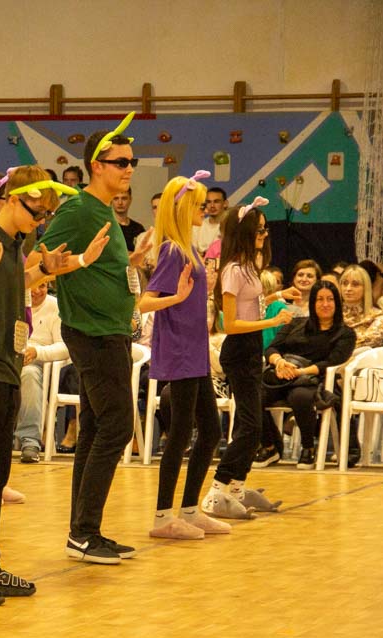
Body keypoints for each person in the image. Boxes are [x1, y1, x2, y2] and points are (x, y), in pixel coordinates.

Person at [0, 165, 92, 606]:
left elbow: (6, 289)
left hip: (4, 368)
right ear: (11, 199)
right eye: (35, 211)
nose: (40, 220)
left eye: (45, 215)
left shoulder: (13, 246)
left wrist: (43, 270)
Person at [38, 113, 153, 564]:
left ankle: (83, 531)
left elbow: (102, 267)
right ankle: (84, 532)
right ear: (97, 166)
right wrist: (77, 262)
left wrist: (132, 262)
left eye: (132, 161)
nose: (128, 169)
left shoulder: (104, 212)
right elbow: (41, 260)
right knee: (117, 426)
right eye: (120, 162)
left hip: (110, 331)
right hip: (92, 333)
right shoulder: (79, 210)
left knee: (93, 428)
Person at [137, 172, 231, 540]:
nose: (204, 209)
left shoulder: (188, 248)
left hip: (195, 351)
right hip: (179, 352)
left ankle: (190, 509)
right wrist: (175, 298)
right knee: (179, 433)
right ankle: (163, 516)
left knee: (210, 431)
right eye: (198, 204)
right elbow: (145, 302)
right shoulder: (172, 251)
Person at [202, 197, 292, 519]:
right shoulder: (232, 271)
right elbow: (231, 323)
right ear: (243, 233)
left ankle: (238, 487)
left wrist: (277, 296)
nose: (264, 235)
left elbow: (250, 303)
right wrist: (272, 321)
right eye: (259, 230)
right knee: (250, 427)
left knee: (248, 424)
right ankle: (216, 489)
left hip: (251, 350)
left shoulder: (250, 267)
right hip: (239, 350)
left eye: (265, 230)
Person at [258, 281, 356, 469]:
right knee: (253, 395)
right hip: (282, 375)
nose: (325, 304)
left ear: (337, 303)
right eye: (320, 299)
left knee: (300, 397)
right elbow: (271, 348)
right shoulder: (295, 323)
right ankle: (269, 446)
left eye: (330, 299)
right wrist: (279, 362)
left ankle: (308, 447)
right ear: (312, 302)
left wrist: (300, 371)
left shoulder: (345, 333)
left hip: (314, 379)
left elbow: (332, 362)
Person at [13, 279, 67, 463]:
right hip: (9, 360)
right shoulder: (12, 303)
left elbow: (65, 347)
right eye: (32, 286)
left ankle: (30, 441)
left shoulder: (56, 307)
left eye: (42, 286)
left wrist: (37, 352)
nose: (36, 291)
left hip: (44, 365)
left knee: (29, 374)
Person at [339, 264, 383, 348]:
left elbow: (371, 341)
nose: (348, 288)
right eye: (345, 283)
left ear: (366, 288)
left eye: (355, 284)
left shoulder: (378, 315)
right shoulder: (331, 314)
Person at [194, 187, 226, 253]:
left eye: (216, 201)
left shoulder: (230, 226)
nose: (212, 206)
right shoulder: (197, 225)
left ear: (225, 203)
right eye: (208, 202)